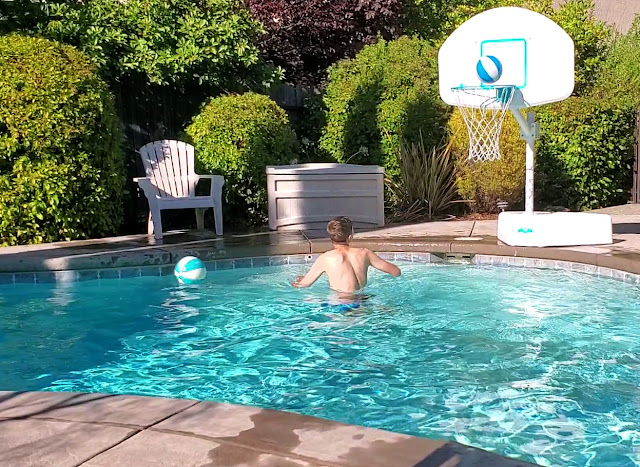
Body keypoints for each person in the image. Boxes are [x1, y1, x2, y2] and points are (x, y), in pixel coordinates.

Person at [291, 217, 401, 298]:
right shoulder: (365, 253)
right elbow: (396, 271)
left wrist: (297, 281)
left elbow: (304, 284)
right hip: (363, 300)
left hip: (342, 304)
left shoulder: (326, 258)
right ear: (350, 237)